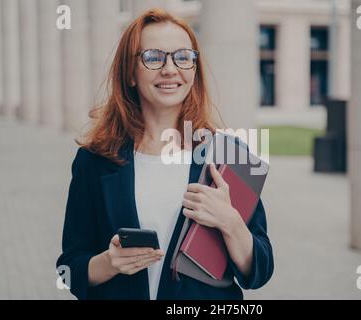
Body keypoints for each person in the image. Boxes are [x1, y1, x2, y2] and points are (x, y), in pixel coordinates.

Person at [56, 8, 273, 300]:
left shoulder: (231, 157)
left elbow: (260, 271)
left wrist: (230, 222)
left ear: (193, 71)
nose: (170, 69)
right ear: (130, 73)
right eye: (153, 57)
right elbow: (69, 268)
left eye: (183, 57)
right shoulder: (95, 160)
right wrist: (108, 264)